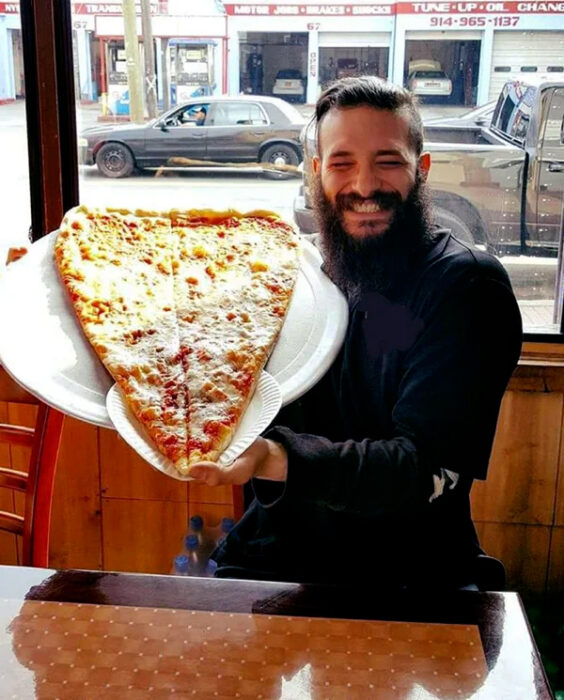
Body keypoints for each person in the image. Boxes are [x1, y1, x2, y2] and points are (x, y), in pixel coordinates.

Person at [188, 76, 523, 589]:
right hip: (273, 562)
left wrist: (272, 457)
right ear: (317, 174)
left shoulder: (467, 289)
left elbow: (422, 471)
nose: (365, 186)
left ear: (421, 170)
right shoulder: (300, 279)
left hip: (409, 577)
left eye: (388, 162)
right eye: (343, 164)